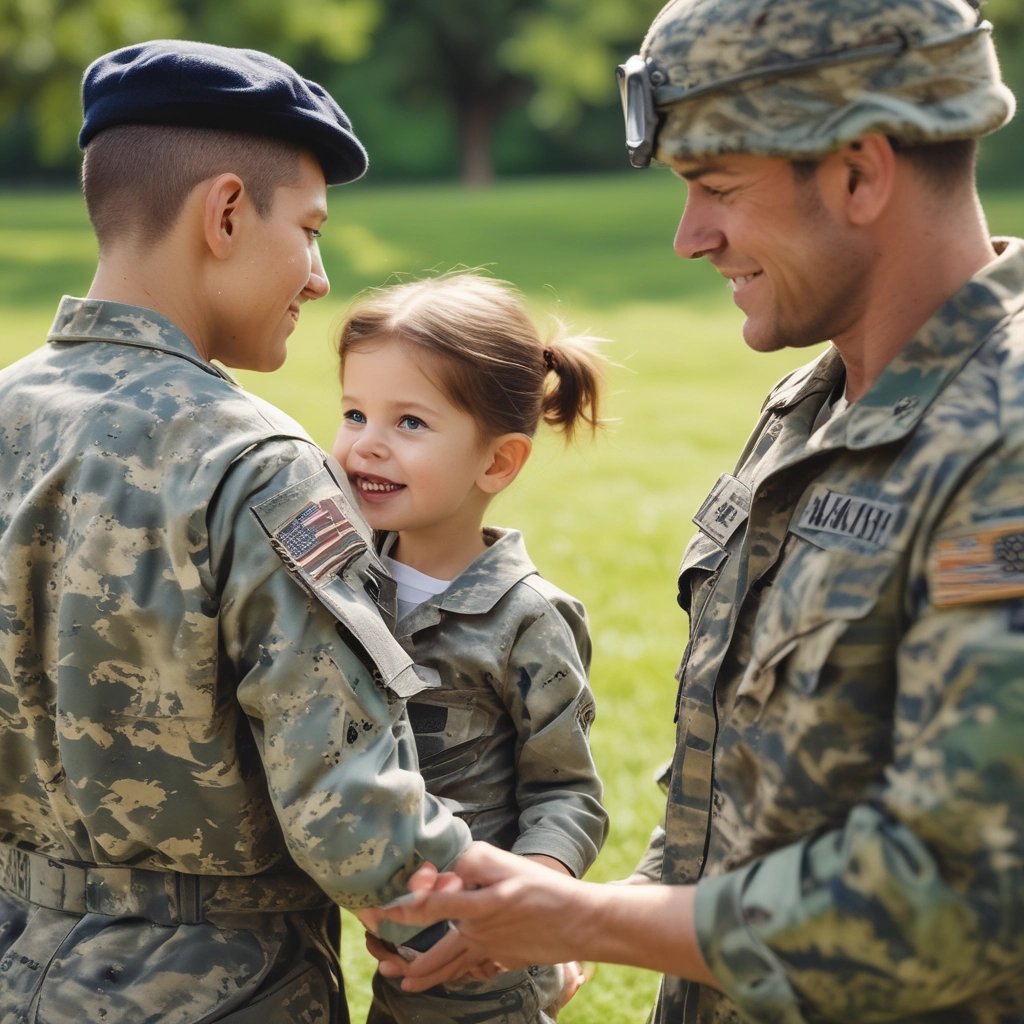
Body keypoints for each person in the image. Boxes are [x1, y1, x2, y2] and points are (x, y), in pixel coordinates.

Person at [375, 1, 1024, 1022]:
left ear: (859, 171)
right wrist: (579, 905)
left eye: (715, 188)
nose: (689, 238)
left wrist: (586, 920)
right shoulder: (814, 406)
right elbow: (742, 786)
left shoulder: (1005, 436)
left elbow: (958, 893)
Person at [0, 40, 475, 1024]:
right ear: (223, 214)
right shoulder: (253, 464)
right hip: (221, 991)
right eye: (307, 230)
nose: (316, 276)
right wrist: (514, 945)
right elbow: (355, 821)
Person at [330, 272, 610, 1023]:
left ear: (497, 462)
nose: (367, 445)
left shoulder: (526, 619)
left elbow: (566, 792)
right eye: (354, 412)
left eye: (409, 424)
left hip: (488, 965)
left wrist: (528, 904)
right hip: (383, 943)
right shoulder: (334, 584)